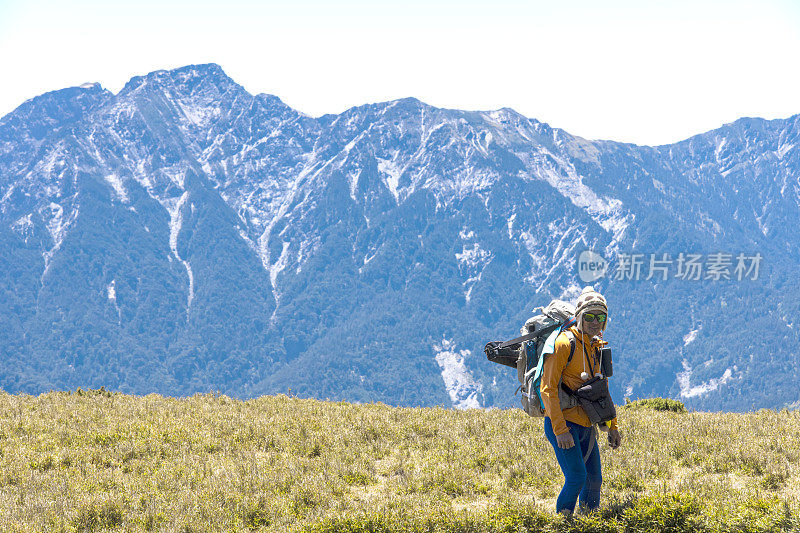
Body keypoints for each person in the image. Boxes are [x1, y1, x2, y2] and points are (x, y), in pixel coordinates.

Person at [540, 286, 622, 516]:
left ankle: (589, 522)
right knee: (577, 477)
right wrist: (560, 430)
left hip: (587, 424)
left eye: (600, 317)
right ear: (579, 317)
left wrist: (612, 426)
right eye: (589, 316)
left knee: (594, 480)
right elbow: (548, 389)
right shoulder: (564, 344)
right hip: (564, 423)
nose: (595, 322)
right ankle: (563, 524)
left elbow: (601, 390)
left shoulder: (597, 346)